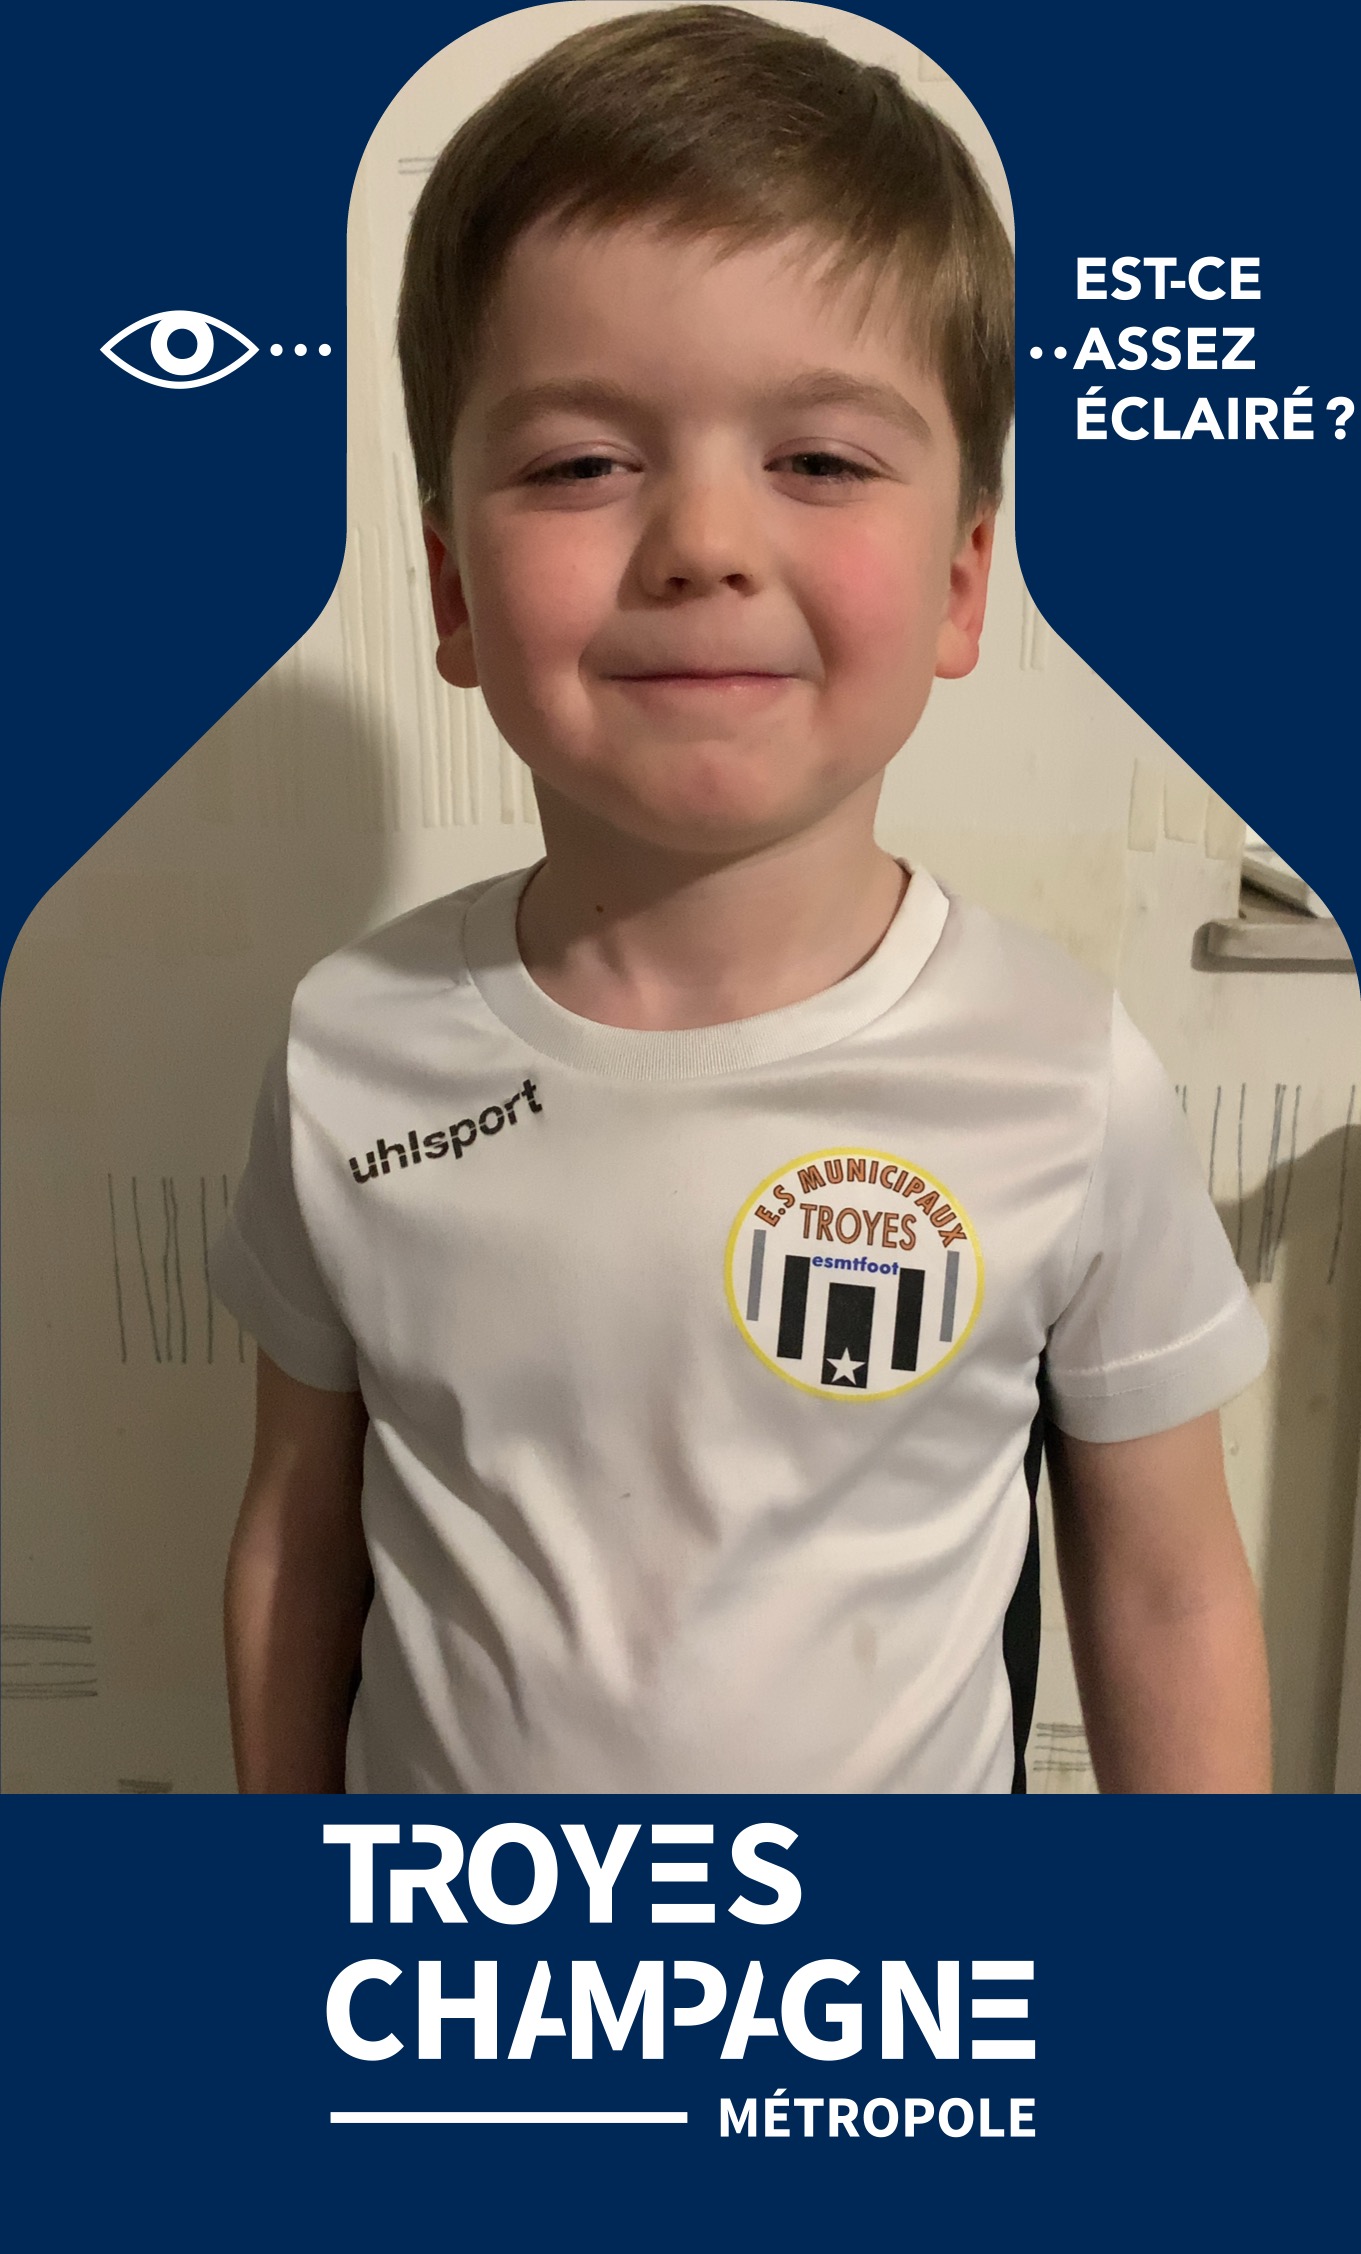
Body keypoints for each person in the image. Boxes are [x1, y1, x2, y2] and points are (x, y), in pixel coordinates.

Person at [212, 7, 1271, 1795]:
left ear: (960, 584)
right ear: (451, 593)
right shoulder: (347, 1052)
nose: (703, 541)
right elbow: (296, 1546)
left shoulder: (1063, 1076)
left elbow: (1169, 1592)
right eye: (580, 463)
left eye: (820, 459)